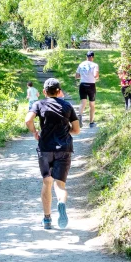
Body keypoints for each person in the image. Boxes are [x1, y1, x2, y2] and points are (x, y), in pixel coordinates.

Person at [25, 78, 80, 230]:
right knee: (60, 185)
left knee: (47, 181)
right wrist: (65, 130)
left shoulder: (39, 104)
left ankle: (47, 219)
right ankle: (61, 202)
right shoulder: (67, 105)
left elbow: (28, 120)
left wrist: (35, 132)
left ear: (44, 92)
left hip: (45, 149)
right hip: (64, 149)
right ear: (59, 91)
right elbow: (76, 130)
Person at [75, 51, 99, 128]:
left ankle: (79, 117)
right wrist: (96, 76)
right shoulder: (95, 65)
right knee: (92, 104)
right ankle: (91, 123)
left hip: (82, 85)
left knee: (83, 102)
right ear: (93, 57)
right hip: (91, 85)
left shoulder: (81, 64)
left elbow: (77, 76)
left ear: (86, 57)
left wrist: (83, 76)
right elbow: (96, 75)